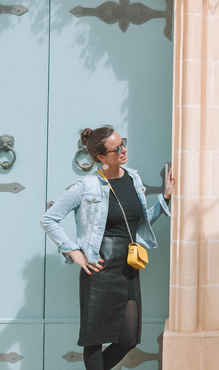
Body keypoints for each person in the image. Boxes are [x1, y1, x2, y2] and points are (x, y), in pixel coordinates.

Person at [40, 125, 173, 370]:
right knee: (95, 340)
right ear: (101, 157)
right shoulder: (86, 186)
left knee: (129, 339)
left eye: (123, 144)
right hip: (99, 269)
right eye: (117, 149)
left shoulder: (133, 178)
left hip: (129, 268)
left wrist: (164, 198)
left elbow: (139, 222)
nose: (123, 150)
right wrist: (74, 252)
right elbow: (49, 219)